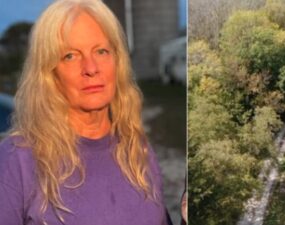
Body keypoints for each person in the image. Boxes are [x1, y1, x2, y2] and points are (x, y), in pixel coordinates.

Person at [0, 0, 171, 224]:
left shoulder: (137, 150)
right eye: (70, 56)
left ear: (117, 61)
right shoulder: (17, 159)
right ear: (49, 73)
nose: (91, 68)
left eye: (101, 51)